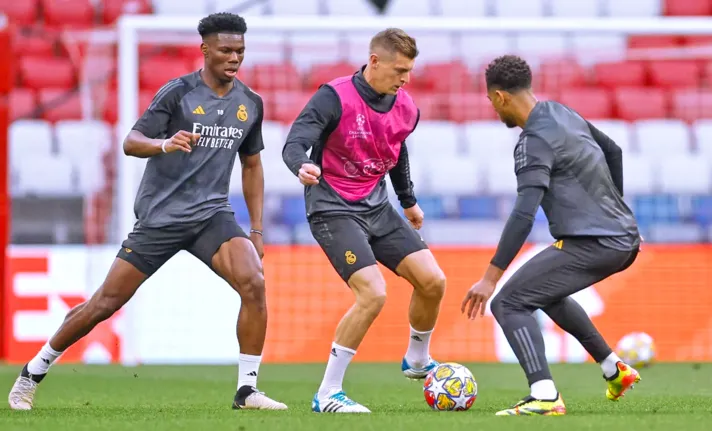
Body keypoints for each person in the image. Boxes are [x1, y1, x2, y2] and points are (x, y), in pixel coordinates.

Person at [8, 12, 287, 411]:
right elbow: (130, 141)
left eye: (240, 51)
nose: (234, 58)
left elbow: (253, 165)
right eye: (226, 50)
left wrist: (257, 231)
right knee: (104, 303)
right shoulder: (177, 93)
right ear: (205, 49)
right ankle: (33, 371)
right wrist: (164, 144)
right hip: (162, 217)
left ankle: (247, 391)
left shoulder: (250, 103)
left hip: (211, 215)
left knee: (254, 283)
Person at [460, 55, 642, 416]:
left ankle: (544, 395)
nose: (493, 109)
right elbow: (614, 151)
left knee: (508, 302)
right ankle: (614, 369)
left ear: (500, 97)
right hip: (621, 237)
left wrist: (489, 278)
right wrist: (614, 209)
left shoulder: (532, 143)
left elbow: (523, 214)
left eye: (490, 101)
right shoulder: (562, 112)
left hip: (596, 243)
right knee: (543, 291)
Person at [282, 28, 446, 414]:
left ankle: (418, 360)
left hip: (377, 207)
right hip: (332, 207)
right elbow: (295, 140)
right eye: (399, 70)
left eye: (409, 71)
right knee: (373, 293)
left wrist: (408, 201)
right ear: (374, 61)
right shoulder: (334, 96)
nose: (405, 79)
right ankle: (328, 393)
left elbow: (397, 147)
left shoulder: (406, 106)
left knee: (433, 281)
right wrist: (300, 165)